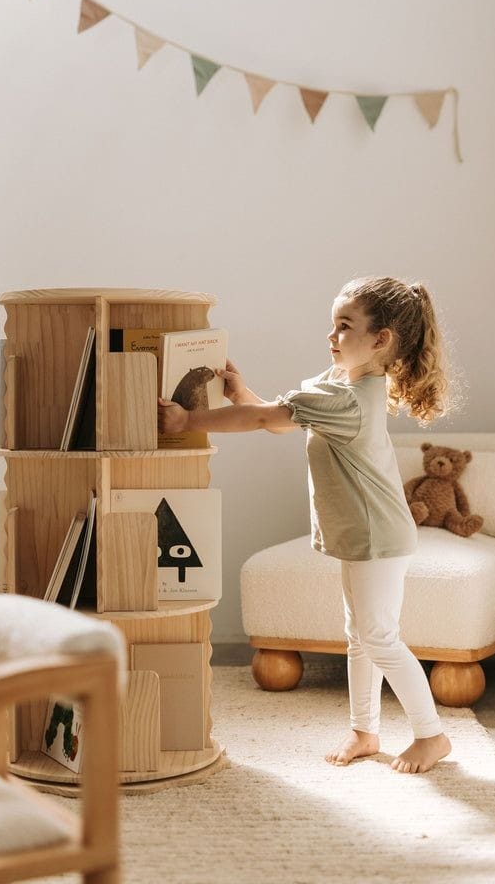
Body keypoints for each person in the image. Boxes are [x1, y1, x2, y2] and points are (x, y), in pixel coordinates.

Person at [158, 275, 459, 774]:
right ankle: (365, 730)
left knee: (379, 635)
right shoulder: (339, 382)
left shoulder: (351, 399)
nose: (332, 336)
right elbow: (276, 417)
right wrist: (241, 394)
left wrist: (189, 423)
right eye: (332, 325)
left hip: (377, 535)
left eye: (344, 326)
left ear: (380, 340)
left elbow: (263, 422)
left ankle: (432, 735)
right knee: (359, 633)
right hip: (363, 534)